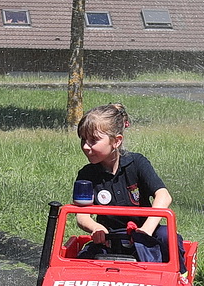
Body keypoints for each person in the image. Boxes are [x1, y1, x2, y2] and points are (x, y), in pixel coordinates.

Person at [74, 103, 184, 269]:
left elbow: (163, 196)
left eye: (93, 141)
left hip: (146, 233)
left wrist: (146, 230)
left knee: (167, 236)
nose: (85, 146)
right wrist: (96, 228)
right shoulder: (87, 175)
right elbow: (82, 215)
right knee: (83, 261)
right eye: (83, 140)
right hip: (110, 237)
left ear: (116, 141)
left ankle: (179, 278)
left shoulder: (137, 163)